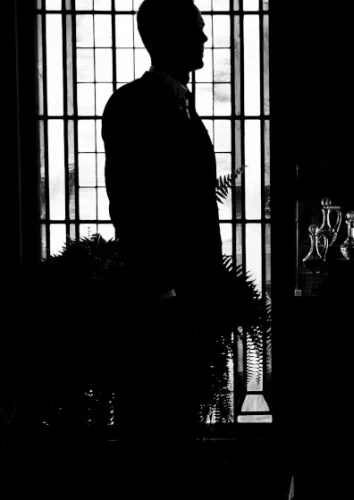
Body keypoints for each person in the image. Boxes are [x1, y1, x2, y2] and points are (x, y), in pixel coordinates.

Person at [101, 0, 223, 490]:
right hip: (159, 302)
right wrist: (166, 293)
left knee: (179, 425)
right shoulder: (132, 107)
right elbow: (131, 207)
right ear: (167, 37)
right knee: (155, 431)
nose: (205, 39)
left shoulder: (179, 105)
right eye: (197, 30)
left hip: (186, 297)